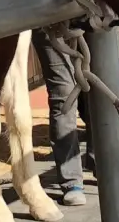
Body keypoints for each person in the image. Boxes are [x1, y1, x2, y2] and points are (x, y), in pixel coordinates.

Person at [31, 27, 96, 207]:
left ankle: (100, 161)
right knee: (64, 94)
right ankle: (72, 182)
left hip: (89, 18)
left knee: (97, 87)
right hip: (48, 22)